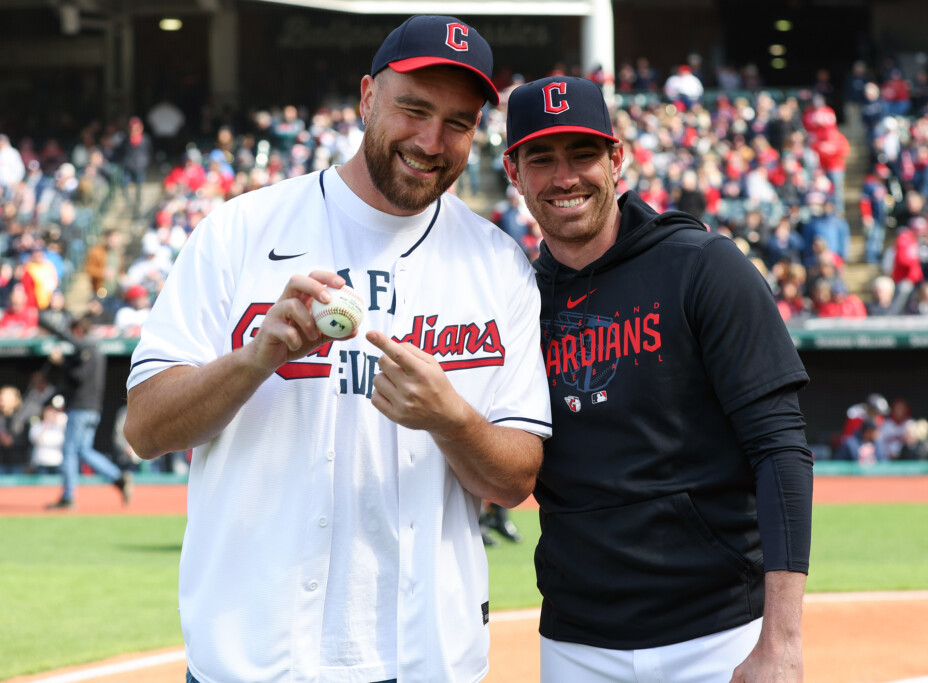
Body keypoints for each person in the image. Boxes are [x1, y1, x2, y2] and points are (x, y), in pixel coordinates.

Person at [123, 15, 551, 683]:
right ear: (365, 99)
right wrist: (253, 359)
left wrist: (450, 418)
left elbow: (514, 479)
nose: (431, 139)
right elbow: (146, 429)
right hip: (251, 658)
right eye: (413, 108)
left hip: (425, 659)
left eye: (459, 122)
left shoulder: (499, 266)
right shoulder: (240, 230)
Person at [502, 76, 812, 682]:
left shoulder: (703, 267)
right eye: (542, 159)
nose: (565, 178)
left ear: (617, 159)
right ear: (514, 173)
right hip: (575, 640)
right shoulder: (514, 299)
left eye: (583, 154)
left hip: (719, 634)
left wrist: (782, 643)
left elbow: (780, 450)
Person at [39, 313, 134, 508]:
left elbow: (79, 376)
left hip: (81, 408)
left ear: (78, 331)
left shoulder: (88, 348)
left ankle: (68, 497)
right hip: (92, 408)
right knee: (84, 450)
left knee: (69, 450)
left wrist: (60, 363)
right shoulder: (93, 349)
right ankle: (118, 478)